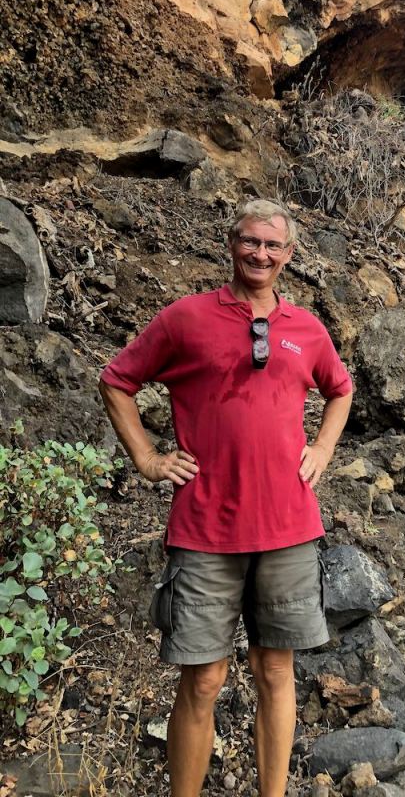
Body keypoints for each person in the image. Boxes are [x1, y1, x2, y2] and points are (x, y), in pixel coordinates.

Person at [99, 199, 354, 797]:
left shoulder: (307, 328)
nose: (260, 254)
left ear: (288, 255)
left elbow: (340, 391)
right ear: (231, 243)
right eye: (250, 241)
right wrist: (147, 458)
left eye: (273, 245)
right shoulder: (186, 319)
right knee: (204, 680)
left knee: (275, 670)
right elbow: (117, 380)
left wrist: (320, 450)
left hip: (289, 527)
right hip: (206, 528)